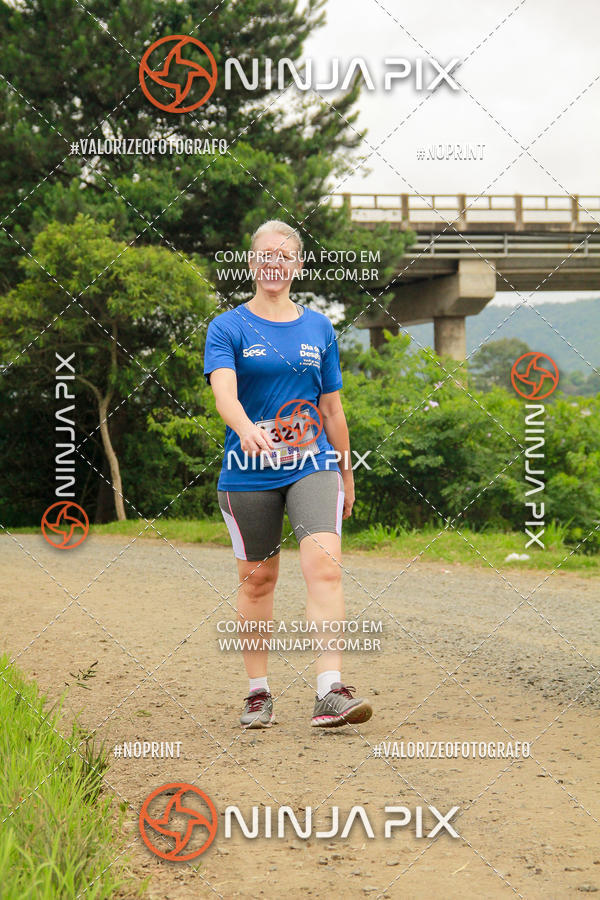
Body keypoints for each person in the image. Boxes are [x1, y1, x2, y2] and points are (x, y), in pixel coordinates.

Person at [203, 219, 373, 730]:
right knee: (258, 583)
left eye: (284, 255)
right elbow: (225, 395)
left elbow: (333, 409)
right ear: (252, 263)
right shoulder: (227, 327)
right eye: (264, 255)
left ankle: (330, 692)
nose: (274, 263)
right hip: (247, 470)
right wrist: (244, 428)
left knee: (324, 567)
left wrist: (346, 472)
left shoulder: (319, 329)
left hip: (313, 463)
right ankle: (258, 694)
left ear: (297, 265)